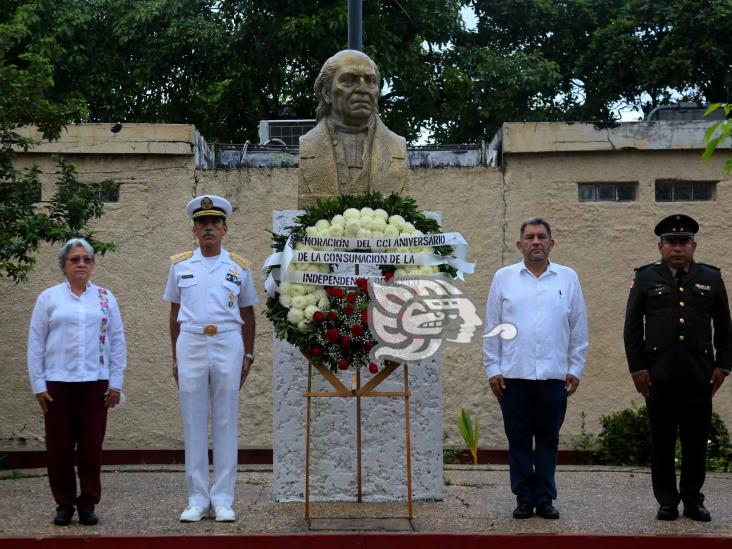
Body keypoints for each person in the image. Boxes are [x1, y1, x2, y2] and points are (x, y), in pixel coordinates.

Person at [624, 214, 732, 522]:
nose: (677, 248)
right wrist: (638, 369)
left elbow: (725, 327)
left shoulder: (711, 277)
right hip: (658, 375)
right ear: (660, 246)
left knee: (696, 442)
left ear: (694, 245)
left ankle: (693, 500)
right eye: (671, 242)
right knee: (662, 442)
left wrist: (723, 366)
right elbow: (632, 328)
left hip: (699, 375)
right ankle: (667, 501)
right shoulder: (646, 277)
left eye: (684, 242)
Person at [483, 217, 588, 519]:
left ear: (551, 243)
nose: (536, 241)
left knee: (547, 439)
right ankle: (523, 498)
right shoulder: (504, 278)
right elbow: (493, 326)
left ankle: (545, 498)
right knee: (517, 440)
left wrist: (576, 367)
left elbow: (578, 327)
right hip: (513, 376)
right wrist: (493, 368)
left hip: (554, 377)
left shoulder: (568, 278)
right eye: (529, 237)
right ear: (520, 244)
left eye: (542, 236)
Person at [164, 194, 258, 522]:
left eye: (215, 223)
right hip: (190, 342)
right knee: (192, 419)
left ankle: (223, 500)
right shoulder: (180, 266)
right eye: (202, 223)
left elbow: (248, 312)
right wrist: (176, 355)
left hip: (227, 342)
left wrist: (248, 354)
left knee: (225, 420)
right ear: (194, 230)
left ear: (225, 229)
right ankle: (196, 499)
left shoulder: (239, 267)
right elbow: (174, 312)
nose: (208, 228)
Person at [27, 237, 127, 526]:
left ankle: (88, 503)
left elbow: (117, 342)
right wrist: (39, 385)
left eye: (87, 259)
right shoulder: (49, 298)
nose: (81, 263)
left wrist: (116, 383)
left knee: (91, 447)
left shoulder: (106, 298)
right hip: (57, 385)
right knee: (58, 449)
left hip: (96, 384)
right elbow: (36, 343)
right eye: (75, 259)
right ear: (64, 265)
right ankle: (64, 504)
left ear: (93, 264)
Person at [298, 49, 407, 207]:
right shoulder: (308, 146)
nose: (362, 89)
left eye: (370, 80)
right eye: (349, 79)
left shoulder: (397, 147)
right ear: (327, 92)